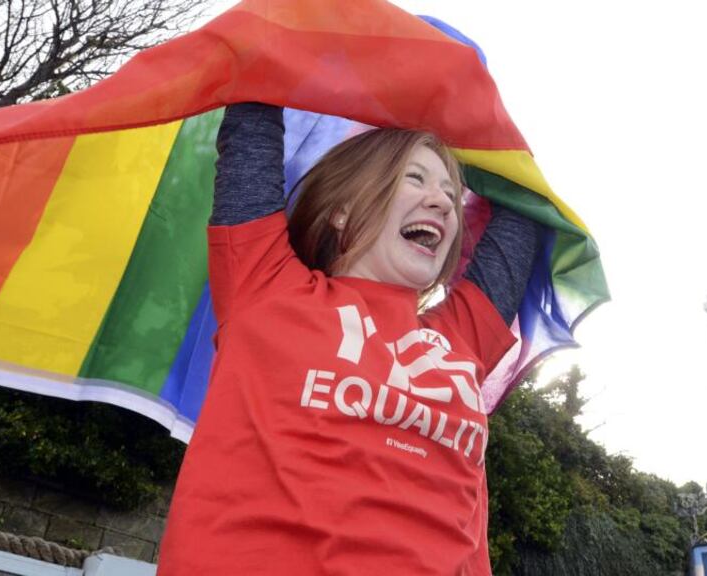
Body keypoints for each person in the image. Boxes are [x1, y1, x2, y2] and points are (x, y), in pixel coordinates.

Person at [157, 103, 541, 575]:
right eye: (415, 179)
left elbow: (525, 205)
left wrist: (462, 103)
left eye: (451, 192)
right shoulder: (265, 285)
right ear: (343, 210)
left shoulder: (461, 336)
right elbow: (255, 100)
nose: (443, 202)